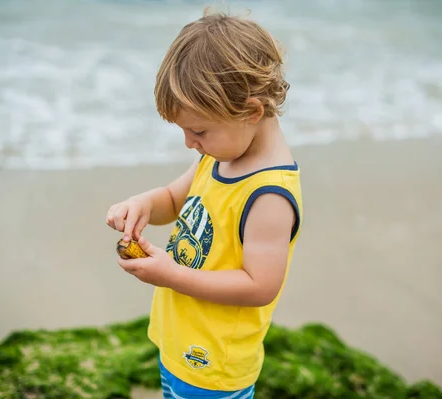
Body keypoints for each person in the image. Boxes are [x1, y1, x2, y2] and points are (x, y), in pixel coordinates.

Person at [106, 8, 303, 399]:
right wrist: (144, 204)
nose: (189, 143)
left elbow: (259, 285)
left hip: (214, 365)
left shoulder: (269, 195)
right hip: (183, 342)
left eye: (198, 130)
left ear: (250, 112)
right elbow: (174, 200)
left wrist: (171, 275)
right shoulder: (218, 155)